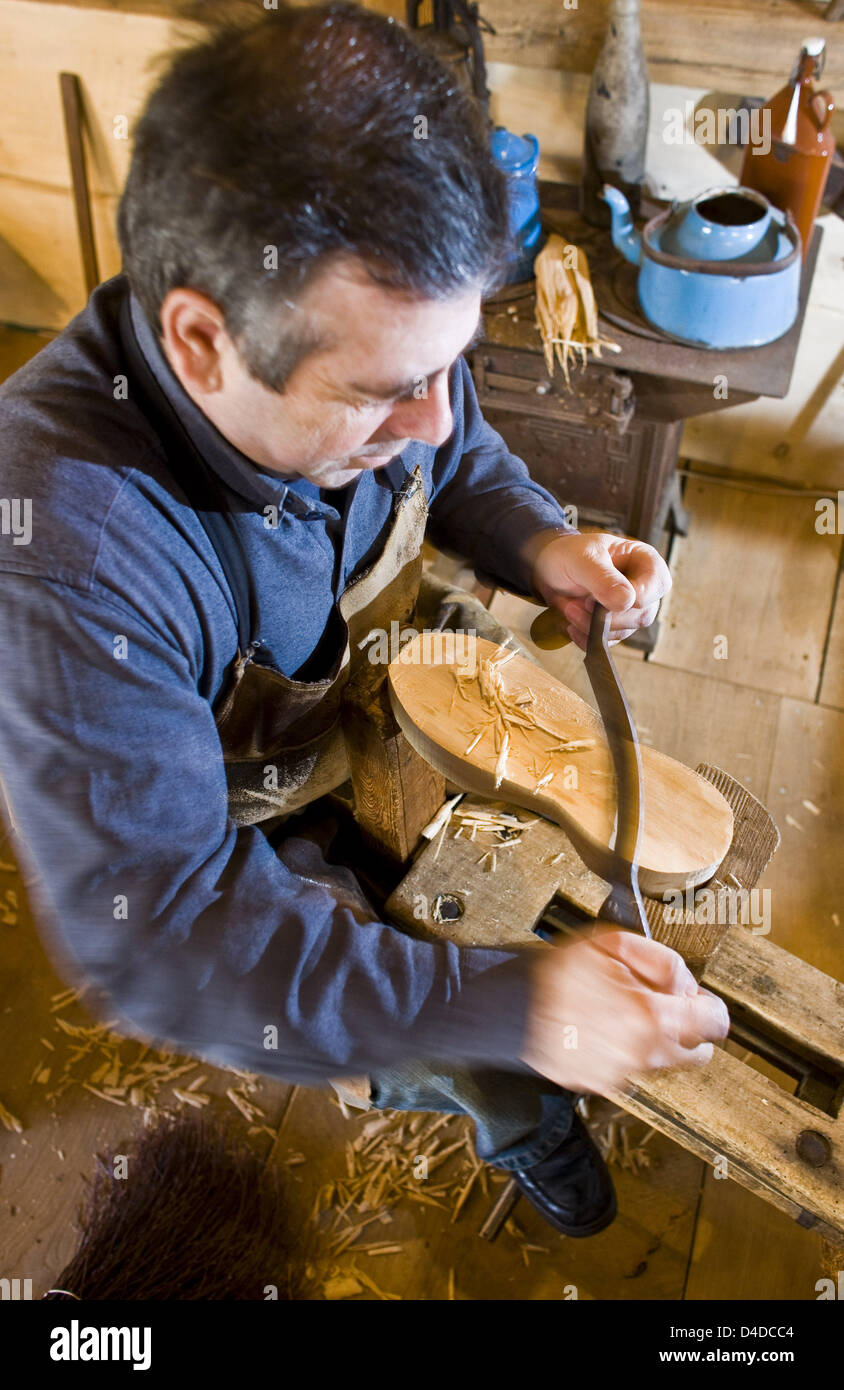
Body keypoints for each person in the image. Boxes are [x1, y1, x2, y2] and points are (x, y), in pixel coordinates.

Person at [0, 2, 728, 1239]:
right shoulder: (60, 548)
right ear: (199, 340)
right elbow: (163, 939)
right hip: (238, 808)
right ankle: (512, 1113)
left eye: (447, 365)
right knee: (446, 1011)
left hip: (376, 674)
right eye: (386, 391)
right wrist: (521, 1013)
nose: (436, 418)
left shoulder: (374, 367)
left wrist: (536, 537)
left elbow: (454, 454)